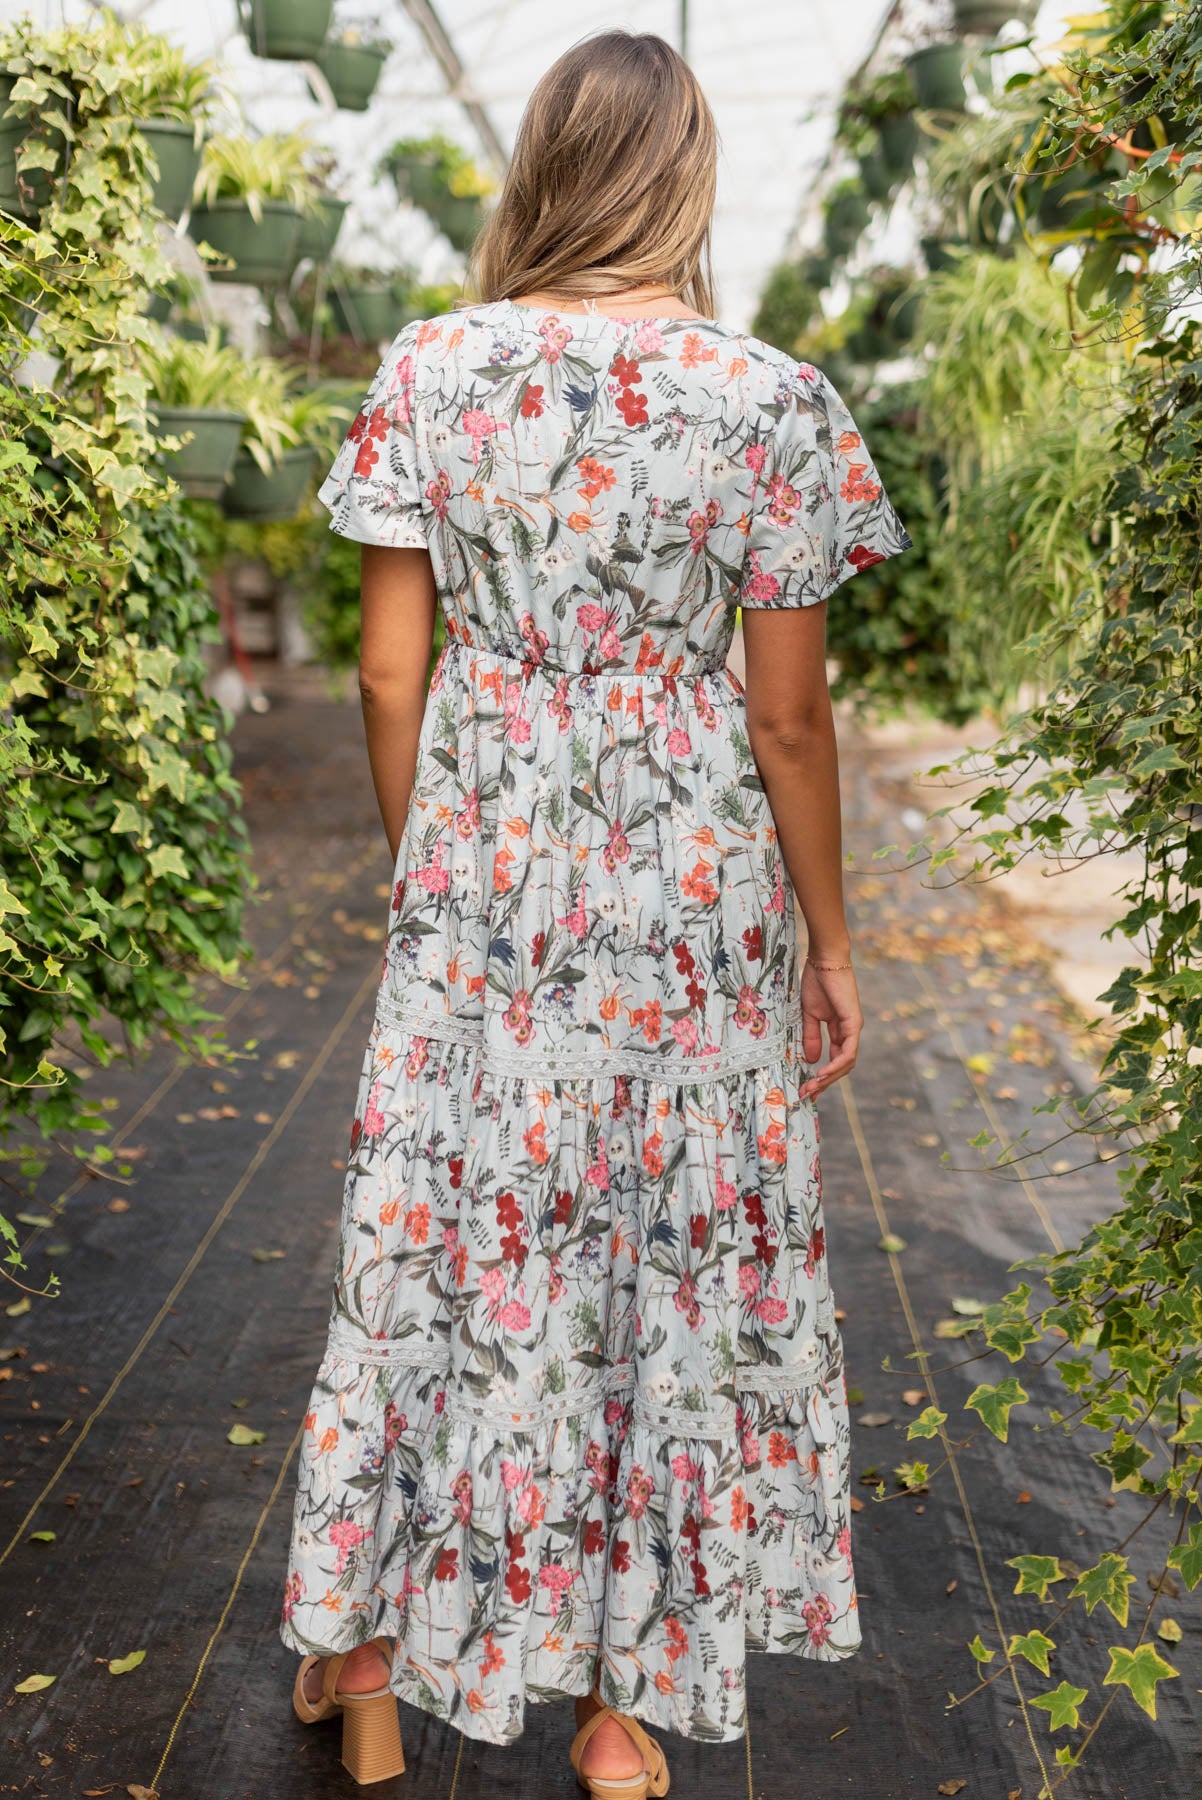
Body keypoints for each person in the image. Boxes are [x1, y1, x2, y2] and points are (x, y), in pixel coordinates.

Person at [279, 26, 910, 1796]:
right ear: (684, 176)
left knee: (448, 1241)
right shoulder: (770, 399)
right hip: (691, 897)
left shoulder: (432, 370)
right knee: (667, 1263)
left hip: (482, 882)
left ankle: (373, 1658)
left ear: (542, 169)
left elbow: (389, 676)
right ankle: (626, 1711)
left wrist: (441, 876)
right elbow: (787, 716)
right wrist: (832, 944)